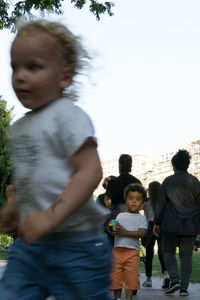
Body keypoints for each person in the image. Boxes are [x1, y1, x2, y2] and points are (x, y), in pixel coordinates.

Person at [0, 19, 112, 300]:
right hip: (31, 245)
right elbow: (30, 176)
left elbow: (89, 171)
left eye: (33, 66)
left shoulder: (68, 115)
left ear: (65, 76)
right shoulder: (20, 127)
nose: (20, 76)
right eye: (15, 67)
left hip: (78, 246)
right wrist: (16, 207)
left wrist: (51, 217)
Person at [153, 150, 200, 296]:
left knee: (168, 251)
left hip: (170, 225)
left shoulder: (168, 181)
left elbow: (160, 205)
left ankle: (174, 281)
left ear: (173, 165)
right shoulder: (195, 181)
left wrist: (156, 223)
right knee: (186, 255)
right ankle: (184, 288)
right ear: (187, 164)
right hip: (191, 225)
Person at [110, 183, 147, 300]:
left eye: (138, 199)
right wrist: (111, 229)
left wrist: (125, 232)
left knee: (131, 278)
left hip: (132, 253)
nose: (134, 202)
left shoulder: (141, 218)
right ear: (126, 200)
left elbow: (142, 233)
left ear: (142, 203)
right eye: (130, 198)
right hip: (117, 251)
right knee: (116, 277)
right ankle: (117, 298)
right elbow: (113, 230)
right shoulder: (120, 215)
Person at [142, 181, 170, 289]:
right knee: (162, 252)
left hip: (150, 226)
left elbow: (145, 218)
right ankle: (166, 275)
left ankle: (148, 280)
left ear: (150, 190)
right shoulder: (163, 201)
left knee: (149, 254)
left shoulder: (146, 203)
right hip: (161, 225)